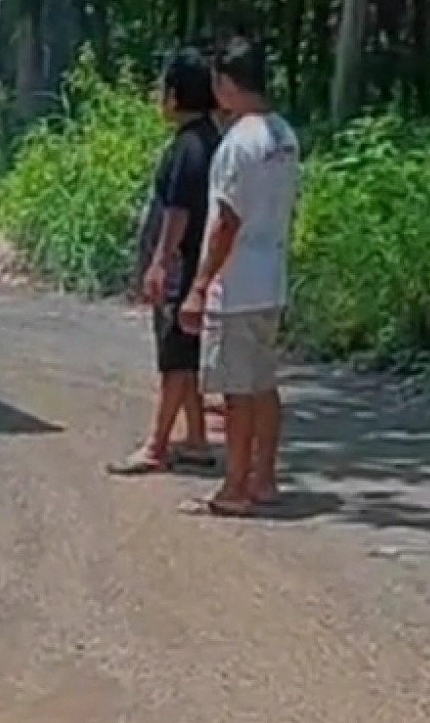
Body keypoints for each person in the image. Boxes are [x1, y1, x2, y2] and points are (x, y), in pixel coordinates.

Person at [178, 35, 300, 516]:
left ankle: (234, 487)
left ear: (226, 83)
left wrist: (200, 284)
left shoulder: (236, 143)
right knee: (264, 384)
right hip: (271, 277)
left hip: (237, 282)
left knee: (235, 391)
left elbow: (226, 220)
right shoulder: (284, 136)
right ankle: (264, 479)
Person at [108, 45, 223, 476]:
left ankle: (156, 445)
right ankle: (195, 438)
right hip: (194, 264)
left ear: (174, 95)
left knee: (174, 358)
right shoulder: (209, 140)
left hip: (182, 268)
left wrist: (159, 262)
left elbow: (178, 212)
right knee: (186, 355)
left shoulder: (188, 148)